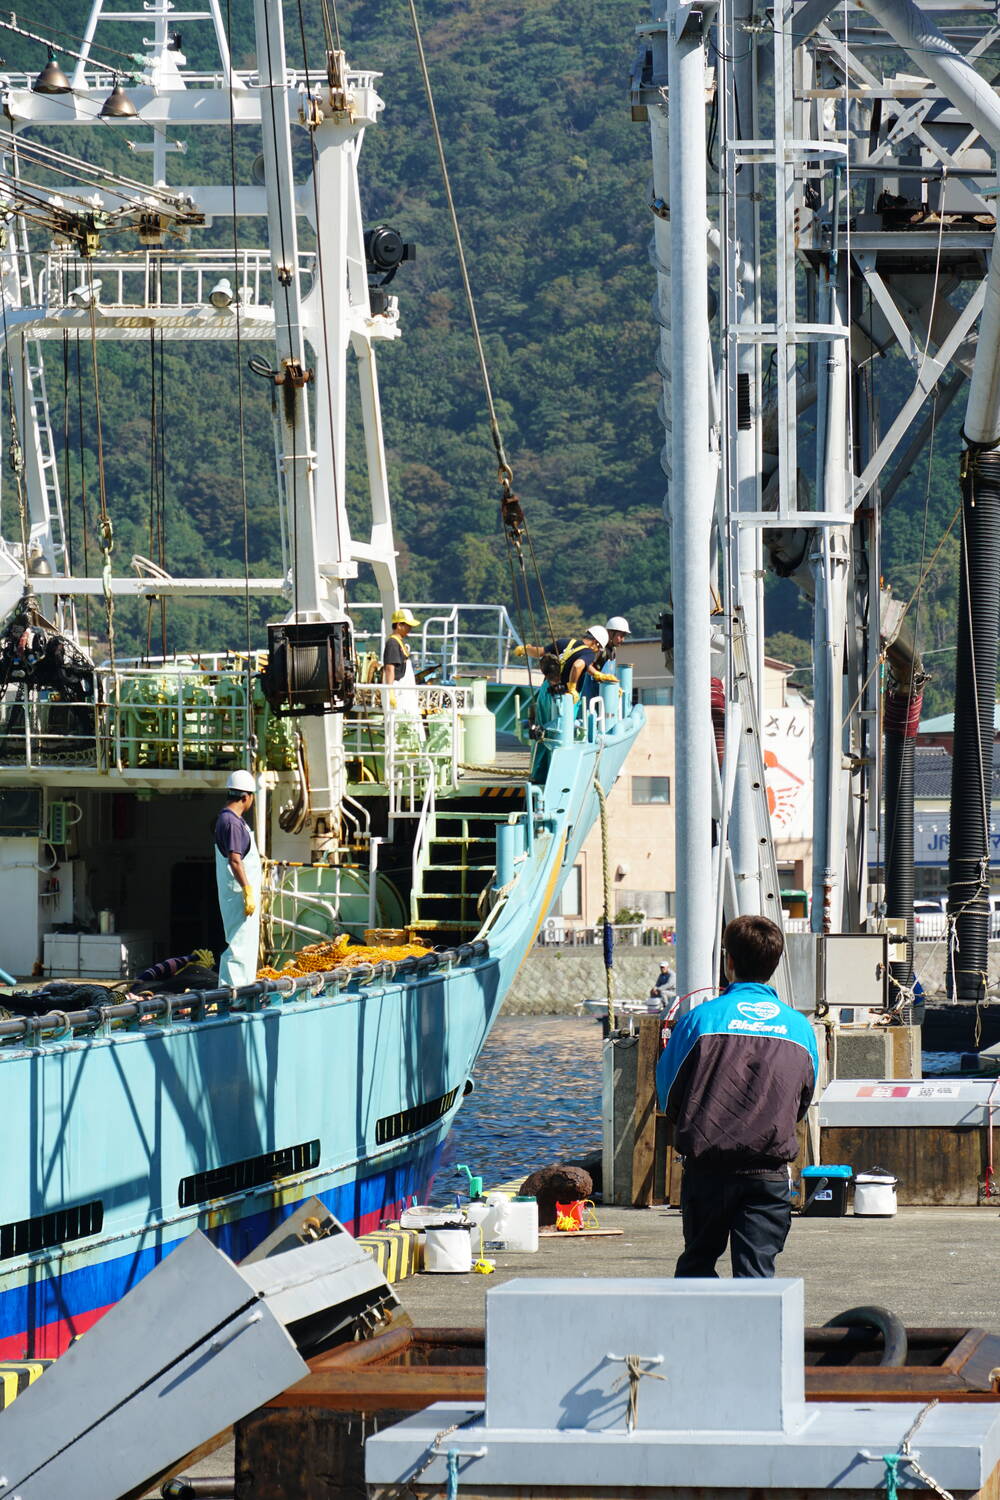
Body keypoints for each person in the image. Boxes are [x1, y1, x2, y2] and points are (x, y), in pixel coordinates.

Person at [655, 914, 818, 1279]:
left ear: (728, 962)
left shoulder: (699, 1020)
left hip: (708, 1169)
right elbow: (802, 1100)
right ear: (775, 964)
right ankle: (756, 1337)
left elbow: (668, 1095)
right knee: (757, 1275)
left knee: (697, 1264)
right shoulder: (799, 1028)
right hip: (768, 1171)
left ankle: (698, 1336)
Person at [214, 769, 262, 988]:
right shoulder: (232, 822)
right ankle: (234, 994)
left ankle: (240, 990)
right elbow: (235, 860)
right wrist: (247, 890)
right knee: (240, 943)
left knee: (244, 942)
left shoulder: (229, 819)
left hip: (238, 894)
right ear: (246, 797)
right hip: (239, 895)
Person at [514, 626, 616, 700]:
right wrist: (572, 687)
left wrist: (525, 649)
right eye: (598, 648)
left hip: (546, 690)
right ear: (595, 642)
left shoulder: (564, 642)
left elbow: (539, 652)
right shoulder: (589, 653)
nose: (597, 651)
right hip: (564, 696)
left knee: (542, 725)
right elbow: (577, 665)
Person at [382, 606, 421, 718]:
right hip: (398, 689)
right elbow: (390, 668)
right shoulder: (393, 643)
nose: (410, 628)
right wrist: (390, 692)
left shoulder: (399, 642)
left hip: (404, 691)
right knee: (398, 721)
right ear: (399, 625)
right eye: (408, 625)